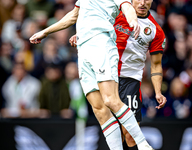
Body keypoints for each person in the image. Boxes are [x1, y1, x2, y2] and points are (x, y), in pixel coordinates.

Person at [29, 0, 154, 149]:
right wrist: (45, 31)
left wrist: (133, 21)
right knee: (99, 110)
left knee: (110, 100)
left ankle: (143, 144)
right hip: (83, 50)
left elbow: (127, 7)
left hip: (101, 44)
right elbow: (74, 15)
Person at [69, 0, 167, 149]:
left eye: (146, 0)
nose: (142, 3)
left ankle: (141, 144)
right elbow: (95, 24)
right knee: (109, 124)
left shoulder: (156, 30)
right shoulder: (117, 13)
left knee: (129, 136)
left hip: (130, 79)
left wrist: (158, 91)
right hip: (107, 71)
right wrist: (81, 34)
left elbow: (156, 64)